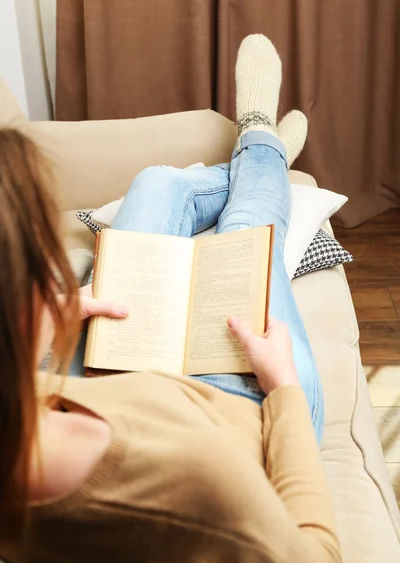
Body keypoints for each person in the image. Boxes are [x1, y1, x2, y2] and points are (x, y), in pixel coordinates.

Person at [0, 35, 341, 562]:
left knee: (158, 185)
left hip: (105, 369)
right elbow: (317, 554)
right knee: (248, 228)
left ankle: (261, 157)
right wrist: (284, 387)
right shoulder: (198, 483)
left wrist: (50, 323)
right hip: (238, 407)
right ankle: (260, 146)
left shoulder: (17, 402)